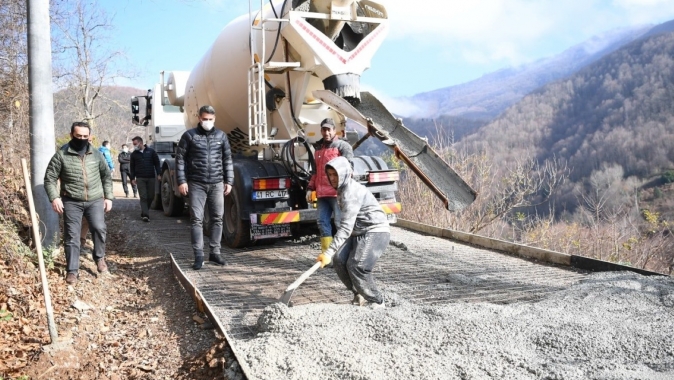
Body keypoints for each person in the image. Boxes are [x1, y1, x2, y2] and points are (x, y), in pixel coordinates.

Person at [44, 121, 114, 285]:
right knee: (72, 236)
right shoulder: (61, 155)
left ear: (89, 137)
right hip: (71, 201)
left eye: (85, 136)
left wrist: (109, 197)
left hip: (95, 199)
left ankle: (99, 259)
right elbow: (50, 179)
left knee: (98, 228)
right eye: (78, 136)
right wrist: (54, 197)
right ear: (71, 135)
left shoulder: (97, 154)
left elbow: (106, 177)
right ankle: (72, 271)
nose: (82, 139)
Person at [316, 156, 389, 308]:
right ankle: (359, 293)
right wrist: (332, 254)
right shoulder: (342, 189)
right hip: (359, 231)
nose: (332, 178)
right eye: (330, 175)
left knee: (357, 265)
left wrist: (327, 252)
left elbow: (345, 228)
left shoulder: (350, 193)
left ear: (344, 174)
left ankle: (377, 300)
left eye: (335, 174)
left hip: (374, 230)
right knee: (339, 260)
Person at [176, 105, 234, 270]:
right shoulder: (189, 136)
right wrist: (182, 181)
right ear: (199, 119)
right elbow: (180, 160)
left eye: (210, 119)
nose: (207, 122)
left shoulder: (221, 136)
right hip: (196, 183)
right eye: (204, 119)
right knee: (197, 220)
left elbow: (227, 160)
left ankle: (215, 253)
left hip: (217, 183)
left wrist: (229, 181)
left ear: (214, 119)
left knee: (217, 218)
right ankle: (199, 256)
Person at [306, 117, 353, 254]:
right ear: (321, 131)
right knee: (322, 223)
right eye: (324, 130)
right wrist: (310, 188)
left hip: (337, 194)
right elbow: (315, 172)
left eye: (329, 130)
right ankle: (328, 256)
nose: (326, 133)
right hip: (322, 195)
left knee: (340, 225)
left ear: (334, 130)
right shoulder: (318, 150)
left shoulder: (343, 147)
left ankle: (343, 256)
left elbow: (349, 170)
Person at [129, 136, 161, 222]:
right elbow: (132, 167)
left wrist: (159, 174)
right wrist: (132, 178)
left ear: (141, 143)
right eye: (133, 144)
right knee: (143, 196)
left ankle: (144, 211)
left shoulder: (151, 152)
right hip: (140, 178)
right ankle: (146, 215)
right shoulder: (134, 154)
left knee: (151, 196)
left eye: (135, 144)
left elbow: (157, 163)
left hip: (151, 177)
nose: (134, 146)